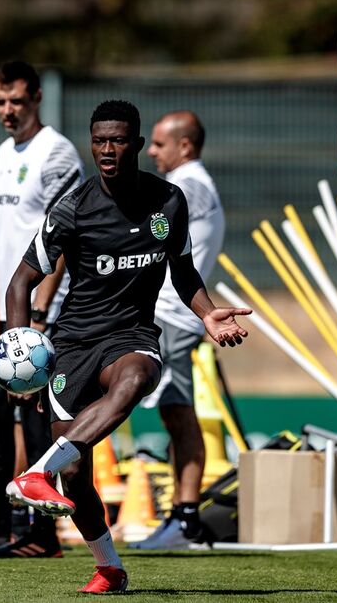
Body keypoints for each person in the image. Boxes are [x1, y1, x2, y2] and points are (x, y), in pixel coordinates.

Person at [3, 100, 249, 594]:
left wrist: (207, 314)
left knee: (136, 378)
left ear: (136, 144)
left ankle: (35, 472)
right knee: (76, 475)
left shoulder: (169, 202)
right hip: (72, 343)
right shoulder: (72, 207)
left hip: (132, 335)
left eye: (117, 141)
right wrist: (18, 347)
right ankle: (109, 566)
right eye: (99, 141)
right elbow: (21, 282)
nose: (107, 150)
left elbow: (182, 270)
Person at [0, 60, 83, 559]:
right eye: (0, 102)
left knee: (38, 420)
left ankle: (41, 534)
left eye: (17, 102)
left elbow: (66, 235)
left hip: (43, 310)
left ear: (37, 98)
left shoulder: (57, 152)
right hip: (8, 311)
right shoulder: (5, 152)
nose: (7, 111)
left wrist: (43, 305)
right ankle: (3, 527)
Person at [130, 110, 226, 550]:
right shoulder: (196, 186)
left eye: (159, 144)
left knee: (176, 410)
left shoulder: (187, 188)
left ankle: (187, 521)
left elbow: (146, 240)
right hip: (171, 315)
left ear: (185, 146)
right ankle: (182, 517)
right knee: (173, 410)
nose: (151, 151)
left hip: (172, 315)